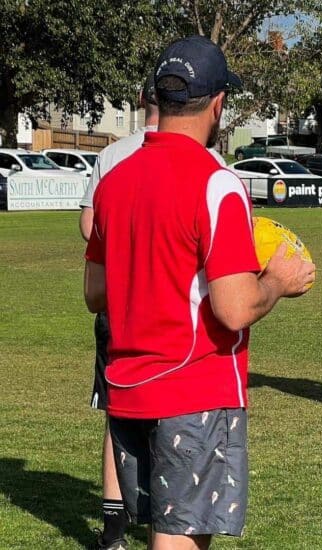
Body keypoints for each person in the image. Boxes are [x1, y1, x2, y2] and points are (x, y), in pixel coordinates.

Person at [84, 35, 315, 550]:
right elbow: (234, 310)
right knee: (178, 540)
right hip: (194, 391)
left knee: (159, 534)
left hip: (128, 391)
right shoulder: (218, 183)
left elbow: (95, 293)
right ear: (218, 104)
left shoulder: (113, 183)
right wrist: (278, 281)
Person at [79, 73, 159, 550]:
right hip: (174, 311)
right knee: (170, 418)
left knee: (117, 412)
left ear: (140, 101)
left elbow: (90, 227)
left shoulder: (112, 155)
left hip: (119, 304)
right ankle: (160, 520)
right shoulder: (201, 159)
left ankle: (113, 530)